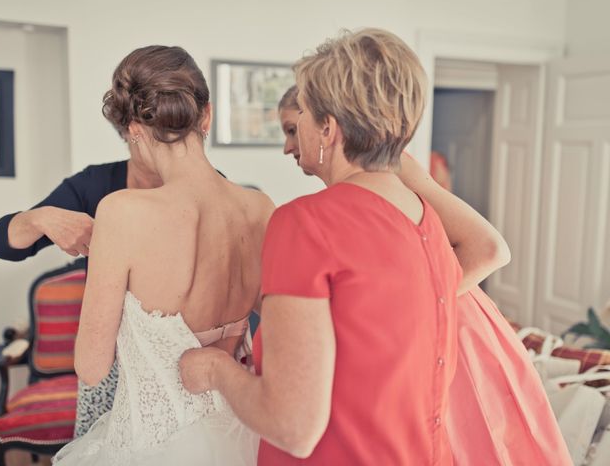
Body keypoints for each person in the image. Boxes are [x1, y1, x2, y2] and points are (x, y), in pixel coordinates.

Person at [181, 28, 464, 465]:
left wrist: (215, 370)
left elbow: (292, 426)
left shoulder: (307, 223)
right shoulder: (428, 220)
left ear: (328, 129)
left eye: (306, 114)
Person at [274, 84, 571, 462]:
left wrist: (412, 311)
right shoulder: (332, 200)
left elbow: (490, 249)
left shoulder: (393, 167)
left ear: (323, 124)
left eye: (290, 129)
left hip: (452, 328)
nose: (287, 146)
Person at [52, 45, 271, 465]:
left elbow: (92, 367)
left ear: (133, 127)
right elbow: (275, 321)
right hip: (244, 434)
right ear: (205, 115)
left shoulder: (122, 212)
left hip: (154, 444)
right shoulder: (260, 207)